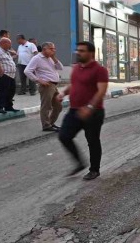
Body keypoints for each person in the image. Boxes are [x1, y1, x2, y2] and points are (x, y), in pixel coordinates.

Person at [57, 41, 109, 180]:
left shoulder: (100, 70)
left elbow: (101, 91)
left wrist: (90, 107)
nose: (78, 53)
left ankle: (94, 170)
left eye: (82, 51)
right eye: (77, 50)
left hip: (93, 112)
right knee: (64, 136)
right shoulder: (76, 68)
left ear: (91, 53)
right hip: (74, 110)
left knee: (92, 140)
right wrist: (63, 93)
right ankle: (79, 163)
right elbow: (73, 84)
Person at [24, 42, 63, 132]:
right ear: (45, 49)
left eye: (54, 49)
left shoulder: (51, 58)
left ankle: (50, 123)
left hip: (54, 85)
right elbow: (27, 71)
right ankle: (46, 125)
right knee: (46, 106)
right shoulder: (37, 58)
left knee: (58, 106)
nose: (54, 51)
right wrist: (38, 80)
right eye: (51, 49)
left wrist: (54, 57)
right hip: (46, 85)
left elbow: (60, 67)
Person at [0, 38, 18, 114]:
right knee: (2, 92)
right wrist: (2, 74)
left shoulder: (6, 52)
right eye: (9, 44)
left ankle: (8, 106)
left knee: (11, 91)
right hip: (4, 75)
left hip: (11, 75)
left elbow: (13, 56)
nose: (10, 45)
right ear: (4, 43)